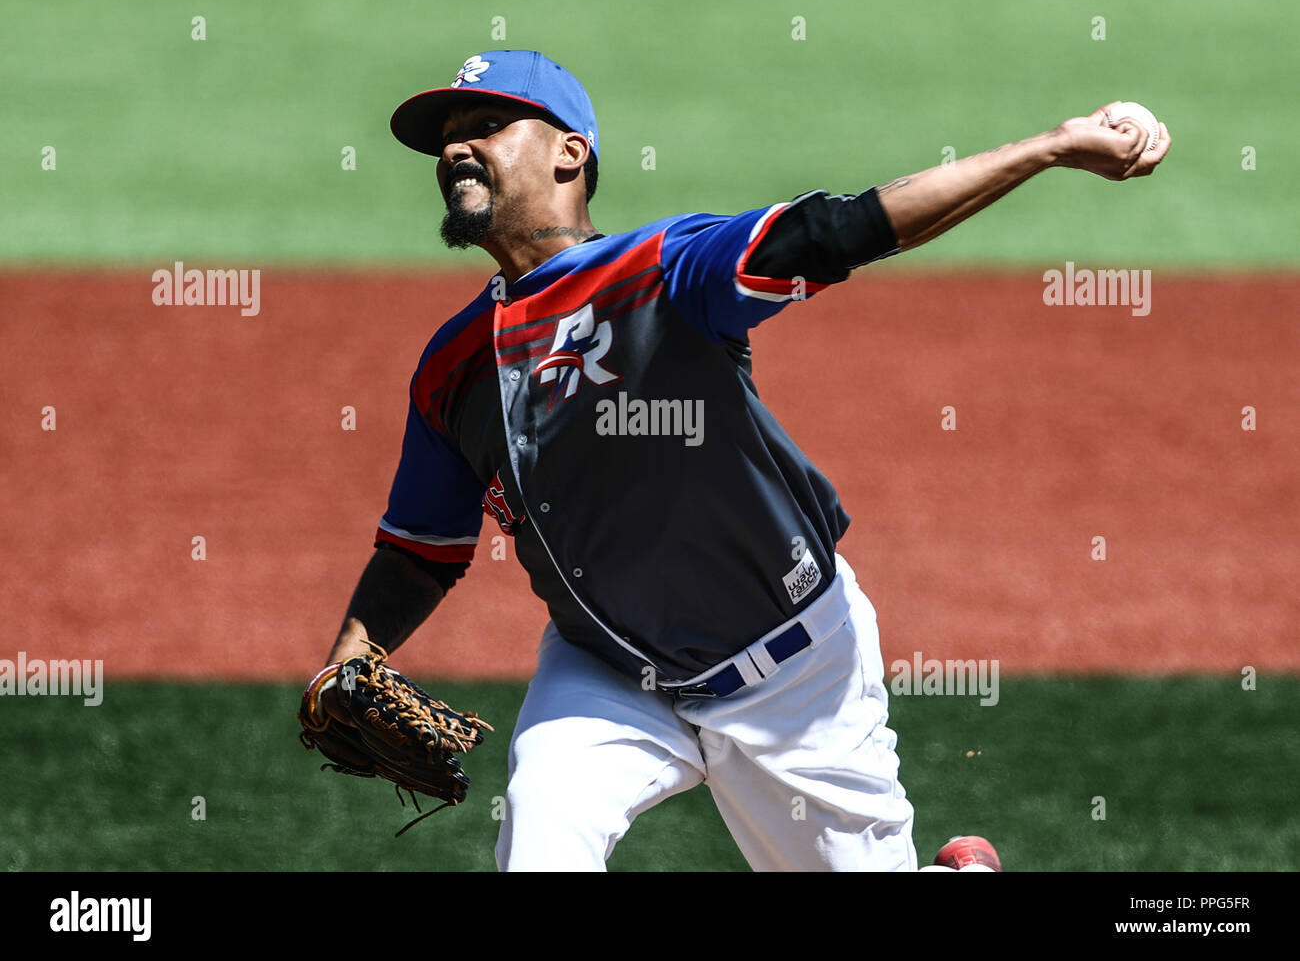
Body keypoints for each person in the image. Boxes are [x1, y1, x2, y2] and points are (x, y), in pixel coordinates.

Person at [314, 49, 1170, 871]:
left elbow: (840, 230)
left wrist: (1053, 147)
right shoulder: (451, 364)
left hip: (794, 675)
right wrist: (352, 657)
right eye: (447, 134)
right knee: (542, 825)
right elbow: (421, 548)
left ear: (571, 153)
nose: (458, 146)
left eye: (488, 123)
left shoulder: (659, 270)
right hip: (608, 671)